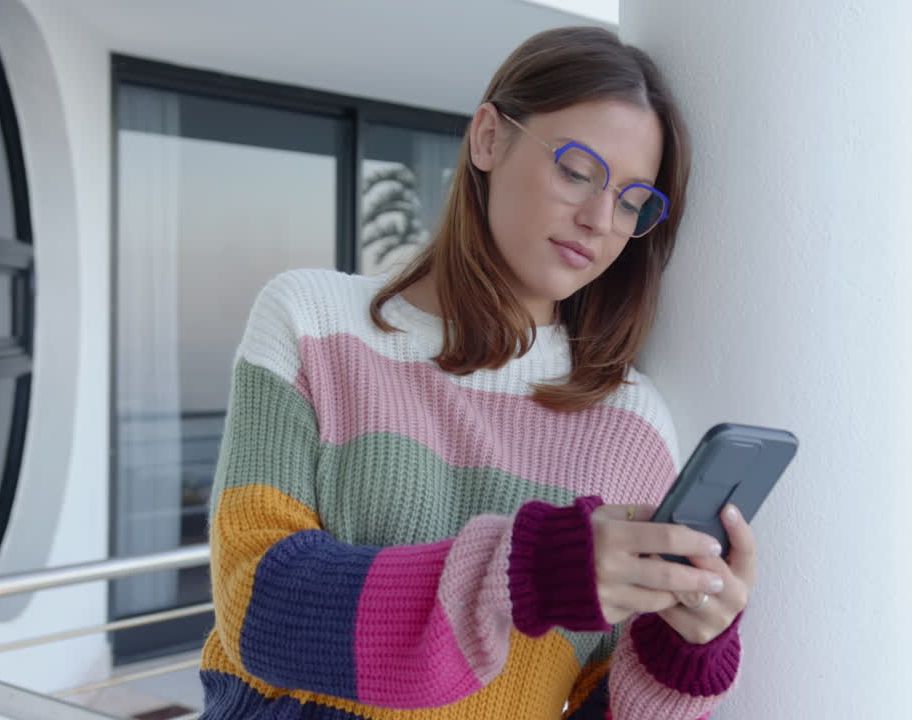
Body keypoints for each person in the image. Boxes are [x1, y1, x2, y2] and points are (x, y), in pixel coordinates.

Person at [198, 25, 757, 720]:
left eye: (632, 200)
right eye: (578, 170)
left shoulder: (632, 424)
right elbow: (258, 608)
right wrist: (524, 573)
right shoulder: (310, 324)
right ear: (489, 138)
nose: (598, 219)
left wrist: (683, 659)